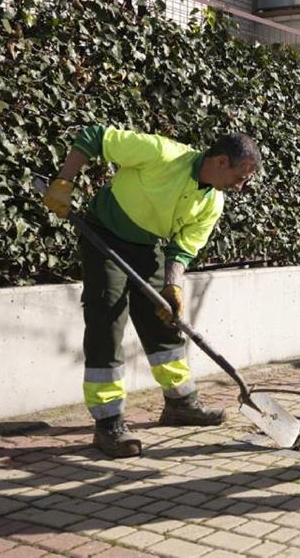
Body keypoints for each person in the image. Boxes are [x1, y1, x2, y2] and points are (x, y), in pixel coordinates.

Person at [42, 126, 260, 457]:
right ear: (220, 162)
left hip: (146, 248)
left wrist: (172, 286)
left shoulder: (213, 202)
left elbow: (183, 249)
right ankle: (109, 424)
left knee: (165, 322)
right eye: (240, 176)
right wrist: (63, 183)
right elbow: (94, 138)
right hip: (105, 236)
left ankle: (180, 403)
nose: (241, 187)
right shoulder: (162, 154)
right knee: (107, 322)